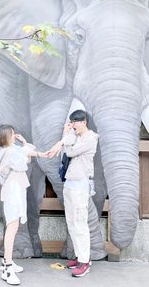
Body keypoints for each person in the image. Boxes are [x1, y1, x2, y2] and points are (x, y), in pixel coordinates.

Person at [47, 110, 98, 278]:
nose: (73, 125)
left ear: (84, 122)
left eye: (76, 122)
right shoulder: (76, 136)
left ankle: (85, 261)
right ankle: (79, 256)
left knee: (80, 223)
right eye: (72, 122)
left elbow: (70, 152)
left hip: (80, 187)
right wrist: (64, 136)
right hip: (69, 185)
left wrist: (64, 141)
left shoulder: (91, 138)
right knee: (71, 223)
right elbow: (68, 142)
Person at [0, 124, 47, 285]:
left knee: (13, 227)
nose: (14, 136)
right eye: (12, 134)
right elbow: (24, 160)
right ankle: (7, 267)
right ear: (7, 136)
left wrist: (25, 144)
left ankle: (6, 262)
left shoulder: (10, 150)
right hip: (13, 192)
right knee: (12, 228)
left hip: (14, 190)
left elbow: (25, 153)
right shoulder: (10, 152)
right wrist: (33, 150)